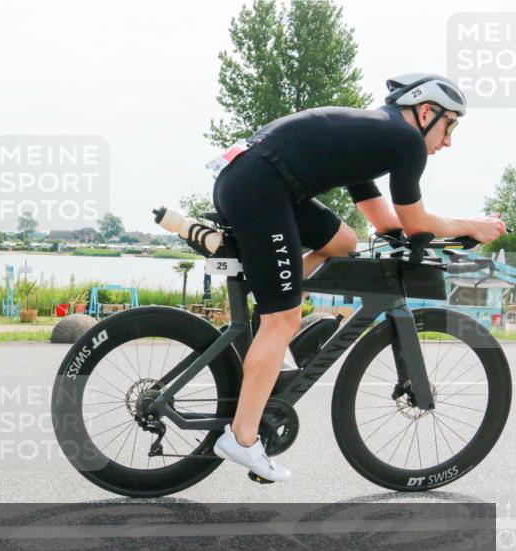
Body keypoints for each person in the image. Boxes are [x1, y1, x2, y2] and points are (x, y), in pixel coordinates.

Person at [159, 73, 506, 482]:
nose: (448, 140)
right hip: (261, 188)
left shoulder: (368, 138)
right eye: (451, 124)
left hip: (254, 181)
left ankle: (270, 290)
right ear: (426, 111)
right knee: (283, 320)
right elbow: (415, 222)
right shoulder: (406, 141)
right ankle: (242, 437)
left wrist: (432, 231)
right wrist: (473, 225)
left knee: (343, 241)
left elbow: (384, 223)